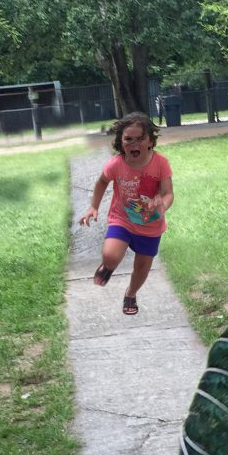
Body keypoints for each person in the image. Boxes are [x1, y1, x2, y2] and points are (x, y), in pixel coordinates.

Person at [78, 112, 174, 315]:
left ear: (150, 141)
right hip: (122, 219)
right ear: (120, 142)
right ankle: (109, 266)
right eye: (128, 139)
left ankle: (131, 293)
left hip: (150, 225)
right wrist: (93, 206)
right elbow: (102, 182)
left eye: (140, 139)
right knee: (110, 255)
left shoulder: (160, 163)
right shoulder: (116, 164)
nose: (134, 144)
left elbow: (168, 194)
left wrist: (162, 205)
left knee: (142, 268)